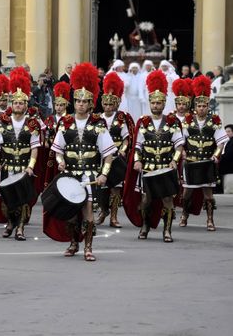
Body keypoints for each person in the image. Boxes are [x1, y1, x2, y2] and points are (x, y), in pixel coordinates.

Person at [44, 63, 116, 261]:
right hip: (70, 175)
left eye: (85, 101)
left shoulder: (98, 124)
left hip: (91, 176)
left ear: (91, 103)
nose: (81, 104)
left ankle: (88, 247)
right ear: (73, 102)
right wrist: (60, 161)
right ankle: (73, 243)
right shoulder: (65, 123)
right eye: (78, 101)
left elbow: (108, 153)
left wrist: (104, 173)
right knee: (71, 215)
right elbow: (58, 150)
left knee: (88, 215)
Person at [123, 69, 184, 243]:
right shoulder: (143, 122)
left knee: (167, 200)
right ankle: (145, 225)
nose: (156, 105)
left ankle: (167, 230)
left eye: (159, 103)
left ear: (164, 103)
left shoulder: (172, 122)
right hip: (148, 167)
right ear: (149, 103)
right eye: (153, 103)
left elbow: (179, 145)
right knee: (145, 200)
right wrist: (137, 161)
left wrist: (174, 160)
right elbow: (138, 146)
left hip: (166, 168)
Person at [0, 69, 41, 240]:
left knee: (23, 200)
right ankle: (10, 222)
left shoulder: (32, 124)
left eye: (21, 103)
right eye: (15, 103)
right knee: (7, 200)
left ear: (25, 105)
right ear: (11, 104)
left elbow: (35, 147)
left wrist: (31, 166)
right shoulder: (3, 123)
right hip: (6, 167)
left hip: (24, 168)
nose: (18, 106)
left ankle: (20, 227)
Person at [179, 75, 229, 230]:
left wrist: (216, 155)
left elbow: (221, 142)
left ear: (208, 106)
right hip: (191, 162)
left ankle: (209, 220)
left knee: (208, 194)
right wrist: (183, 154)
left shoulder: (214, 121)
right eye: (199, 106)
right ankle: (184, 215)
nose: (202, 108)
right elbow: (180, 141)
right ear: (195, 107)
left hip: (207, 162)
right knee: (187, 193)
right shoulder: (187, 120)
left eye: (204, 106)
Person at [96, 72, 134, 228]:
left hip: (117, 157)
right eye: (106, 104)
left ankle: (113, 216)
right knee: (101, 188)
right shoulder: (97, 118)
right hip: (100, 157)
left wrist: (123, 149)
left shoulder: (121, 118)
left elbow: (126, 138)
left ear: (116, 104)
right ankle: (103, 211)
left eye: (111, 104)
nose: (108, 107)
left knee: (116, 189)